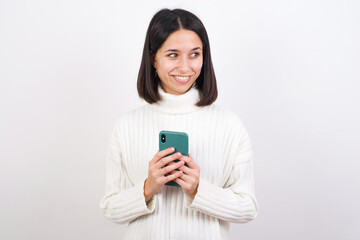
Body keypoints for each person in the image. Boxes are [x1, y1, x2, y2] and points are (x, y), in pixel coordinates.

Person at [99, 8, 259, 240]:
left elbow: (248, 207)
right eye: (173, 55)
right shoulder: (126, 126)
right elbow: (110, 207)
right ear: (154, 58)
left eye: (195, 54)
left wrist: (198, 190)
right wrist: (147, 189)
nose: (185, 67)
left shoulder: (229, 125)